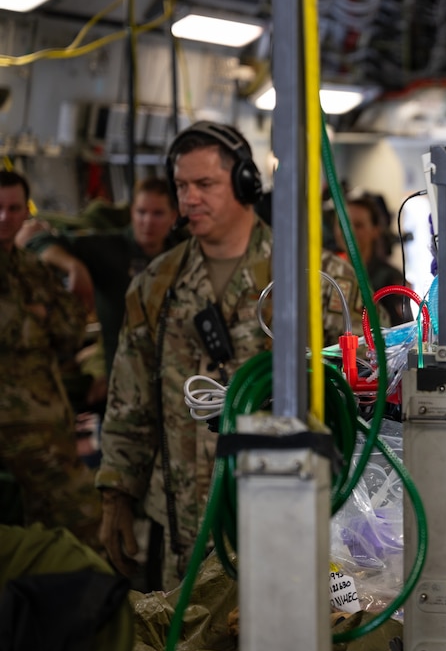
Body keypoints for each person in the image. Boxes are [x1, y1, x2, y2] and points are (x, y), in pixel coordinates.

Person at [96, 122, 365, 592]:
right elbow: (130, 404)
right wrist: (116, 496)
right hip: (183, 532)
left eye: (205, 184)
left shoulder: (321, 282)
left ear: (245, 183)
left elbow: (366, 398)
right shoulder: (155, 287)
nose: (189, 199)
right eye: (182, 186)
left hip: (290, 525)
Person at [0, 169, 102, 550]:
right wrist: (33, 318)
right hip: (13, 424)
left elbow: (72, 328)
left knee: (78, 524)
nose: (5, 218)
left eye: (14, 209)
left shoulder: (31, 269)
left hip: (42, 426)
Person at [16, 176, 181, 407]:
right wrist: (74, 267)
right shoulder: (109, 249)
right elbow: (38, 242)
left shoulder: (183, 254)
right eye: (141, 212)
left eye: (157, 214)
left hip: (174, 380)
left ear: (173, 216)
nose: (147, 222)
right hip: (122, 383)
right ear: (132, 212)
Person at [332, 194, 411, 324]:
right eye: (343, 224)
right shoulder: (329, 274)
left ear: (375, 230)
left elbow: (401, 332)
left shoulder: (390, 279)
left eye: (358, 225)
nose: (349, 231)